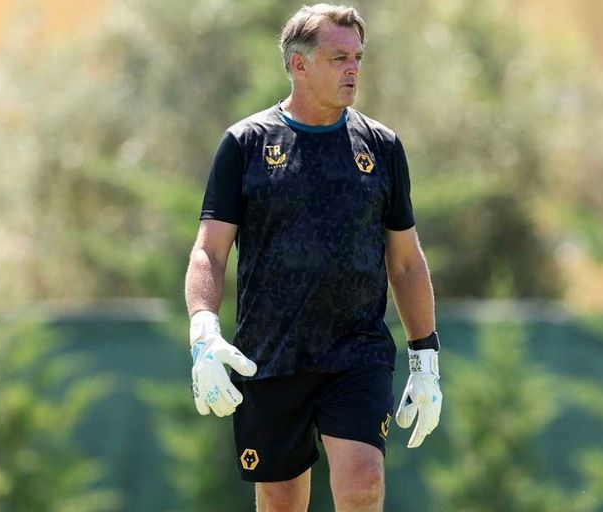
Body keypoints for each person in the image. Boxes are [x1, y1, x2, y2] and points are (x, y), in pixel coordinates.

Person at [184, 4, 442, 511]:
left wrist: (426, 358)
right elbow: (209, 252)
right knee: (281, 501)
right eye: (339, 58)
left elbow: (406, 261)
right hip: (269, 354)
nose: (353, 69)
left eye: (358, 58)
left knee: (364, 482)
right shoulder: (246, 144)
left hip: (356, 352)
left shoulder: (382, 147)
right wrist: (203, 332)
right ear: (298, 64)